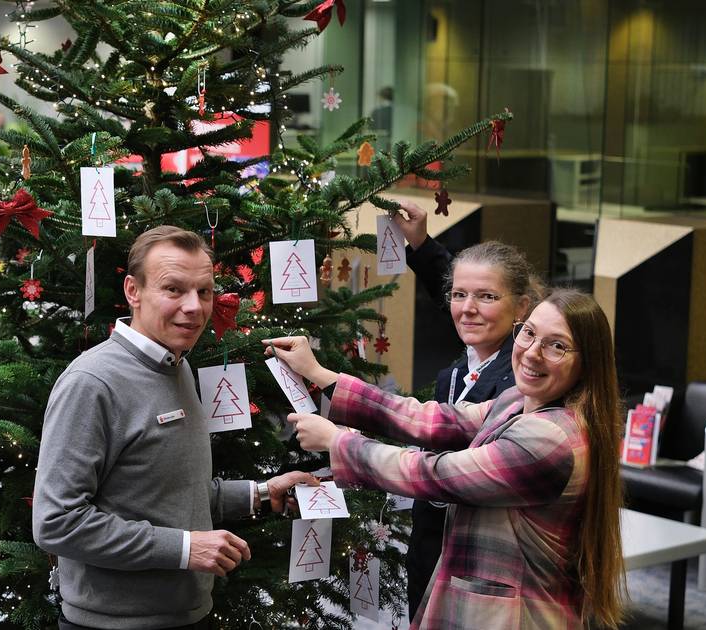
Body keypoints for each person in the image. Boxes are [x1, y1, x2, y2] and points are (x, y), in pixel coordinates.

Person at [266, 288, 626, 628]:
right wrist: (320, 375)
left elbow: (435, 475)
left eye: (557, 346)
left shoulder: (550, 440)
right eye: (529, 333)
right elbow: (431, 419)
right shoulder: (517, 401)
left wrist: (338, 443)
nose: (532, 352)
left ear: (586, 363)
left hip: (512, 617)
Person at [33, 226, 319, 630]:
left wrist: (259, 493)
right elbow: (56, 522)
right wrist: (185, 548)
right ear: (133, 291)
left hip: (189, 616)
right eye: (174, 289)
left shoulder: (177, 366)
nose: (194, 307)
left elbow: (172, 493)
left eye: (204, 292)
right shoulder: (91, 383)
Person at [390, 199, 541, 618]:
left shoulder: (522, 380)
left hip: (483, 570)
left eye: (487, 296)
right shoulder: (460, 368)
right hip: (431, 548)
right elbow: (467, 300)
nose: (467, 308)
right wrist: (420, 243)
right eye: (458, 295)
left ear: (522, 308)